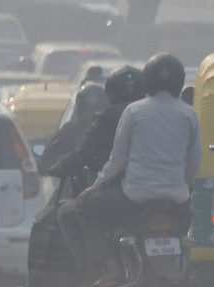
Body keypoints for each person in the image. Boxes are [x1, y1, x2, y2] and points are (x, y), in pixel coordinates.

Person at [58, 53, 201, 287]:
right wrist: (181, 186)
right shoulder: (189, 114)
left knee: (85, 208)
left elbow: (117, 161)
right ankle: (177, 265)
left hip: (133, 197)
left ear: (148, 81)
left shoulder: (134, 112)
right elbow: (194, 163)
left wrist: (93, 188)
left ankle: (110, 267)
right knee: (184, 224)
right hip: (176, 200)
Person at [47, 66, 145, 195]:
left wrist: (61, 167)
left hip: (120, 189)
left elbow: (83, 153)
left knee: (67, 211)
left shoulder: (108, 116)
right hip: (152, 188)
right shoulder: (154, 114)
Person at [36, 83, 107, 178]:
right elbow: (44, 166)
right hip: (73, 187)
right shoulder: (68, 132)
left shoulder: (115, 133)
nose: (91, 116)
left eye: (96, 111)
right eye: (86, 109)